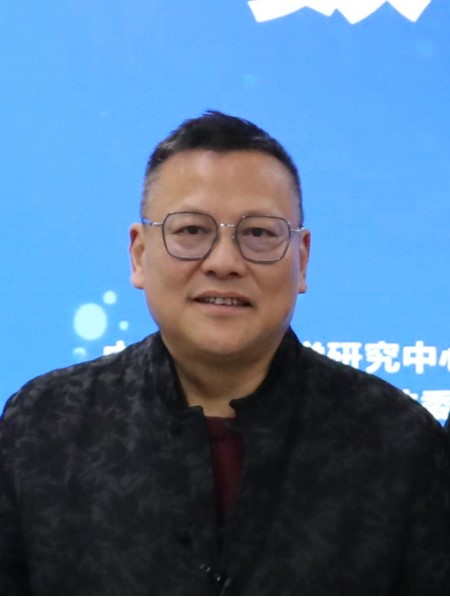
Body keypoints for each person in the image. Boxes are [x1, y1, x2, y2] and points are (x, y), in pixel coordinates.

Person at [1, 111, 449, 596]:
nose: (224, 262)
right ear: (139, 254)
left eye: (259, 233)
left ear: (301, 259)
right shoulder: (42, 426)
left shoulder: (399, 442)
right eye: (191, 230)